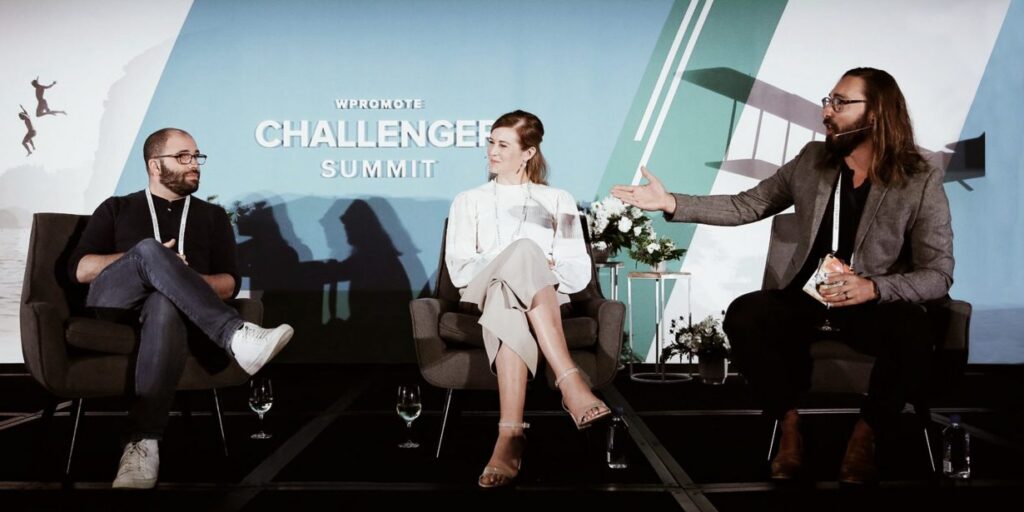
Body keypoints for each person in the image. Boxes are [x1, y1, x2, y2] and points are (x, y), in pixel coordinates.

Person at [612, 68, 953, 484]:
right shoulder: (812, 160)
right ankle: (789, 426)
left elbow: (938, 273)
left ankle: (867, 433)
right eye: (828, 99)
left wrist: (875, 287)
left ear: (877, 113)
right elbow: (746, 205)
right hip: (805, 300)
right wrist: (670, 202)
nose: (827, 110)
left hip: (868, 304)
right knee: (745, 314)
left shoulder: (920, 178)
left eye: (840, 103)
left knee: (915, 329)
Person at [68, 127, 294, 489]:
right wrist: (150, 260)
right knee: (148, 250)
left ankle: (143, 443)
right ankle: (234, 335)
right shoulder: (117, 207)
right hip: (114, 307)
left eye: (197, 157)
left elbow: (229, 284)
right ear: (155, 165)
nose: (195, 165)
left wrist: (181, 278)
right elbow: (80, 270)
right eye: (183, 157)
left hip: (173, 318)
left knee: (163, 300)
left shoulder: (213, 217)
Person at [446, 110, 611, 488]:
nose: (491, 150)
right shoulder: (467, 201)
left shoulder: (558, 200)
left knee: (510, 300)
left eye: (503, 144)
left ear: (528, 152)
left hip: (536, 300)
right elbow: (460, 270)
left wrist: (529, 268)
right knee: (522, 253)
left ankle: (509, 435)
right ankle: (569, 380)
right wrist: (524, 258)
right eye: (490, 141)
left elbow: (575, 273)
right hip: (479, 293)